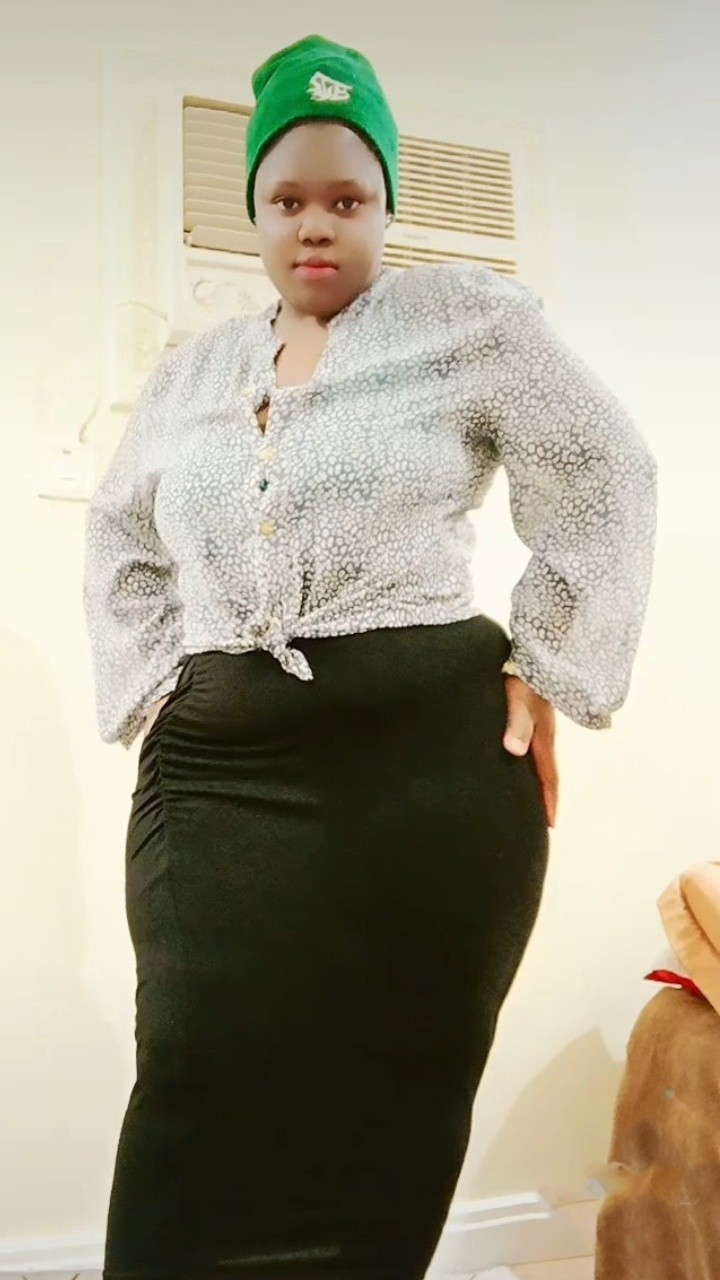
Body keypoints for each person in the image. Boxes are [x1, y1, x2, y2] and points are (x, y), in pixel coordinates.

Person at [83, 32, 657, 1280]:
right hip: (220, 784)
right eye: (287, 199)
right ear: (253, 211)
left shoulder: (471, 321)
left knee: (391, 1101)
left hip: (427, 785)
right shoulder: (189, 378)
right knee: (193, 1081)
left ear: (387, 203)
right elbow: (119, 530)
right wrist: (155, 689)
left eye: (348, 199)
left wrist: (551, 660)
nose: (316, 225)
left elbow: (606, 470)